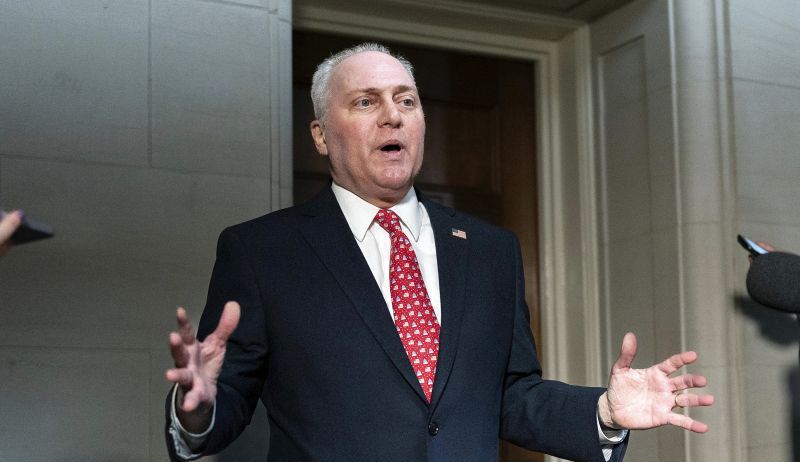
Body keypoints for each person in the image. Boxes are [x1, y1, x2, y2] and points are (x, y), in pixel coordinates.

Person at [164, 43, 714, 462]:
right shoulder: (262, 251)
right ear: (321, 135)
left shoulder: (491, 250)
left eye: (406, 100)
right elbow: (223, 399)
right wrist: (200, 406)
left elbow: (510, 396)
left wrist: (603, 413)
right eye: (365, 102)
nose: (392, 116)